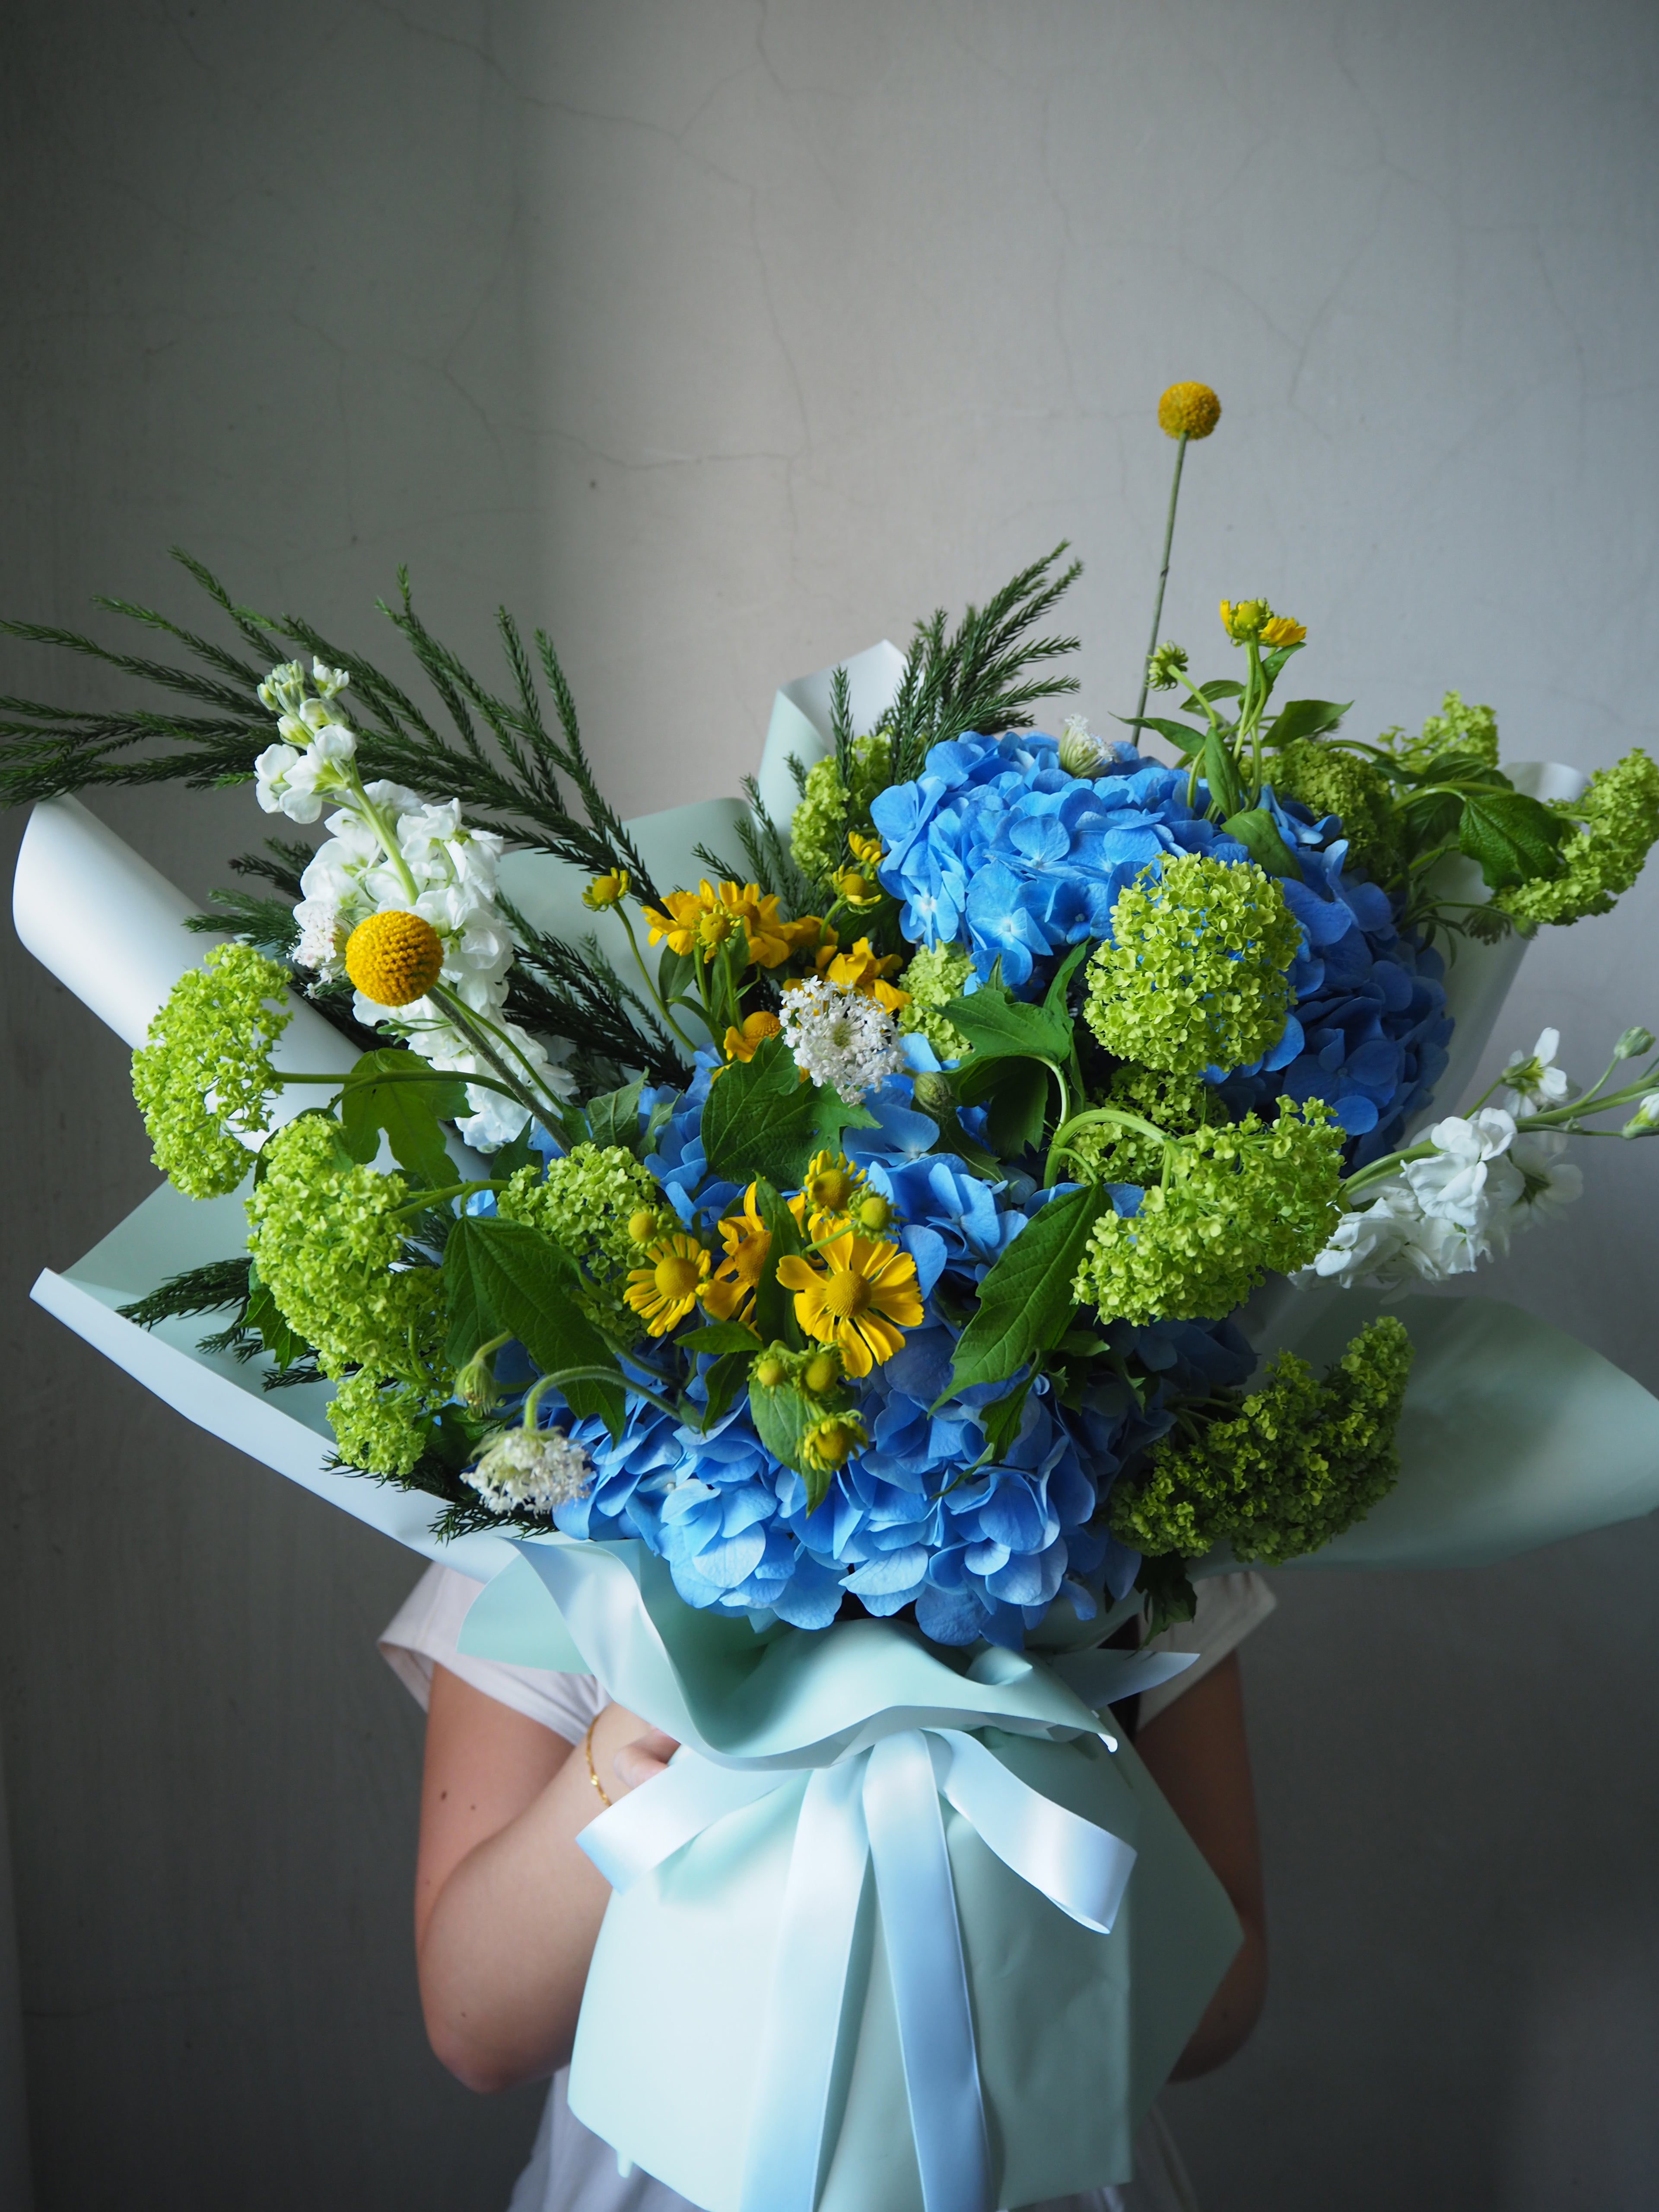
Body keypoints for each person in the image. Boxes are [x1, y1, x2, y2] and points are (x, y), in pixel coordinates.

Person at [381, 1567, 1274, 2212]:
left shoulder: (1143, 1529)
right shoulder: (555, 1532)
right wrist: (679, 1695)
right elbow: (476, 2030)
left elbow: (1219, 2010)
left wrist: (1050, 1745)